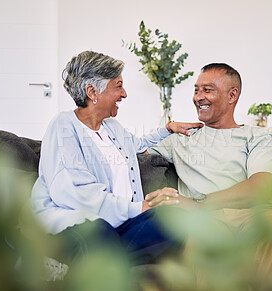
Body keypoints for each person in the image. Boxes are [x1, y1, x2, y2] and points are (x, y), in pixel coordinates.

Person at [29, 51, 202, 266]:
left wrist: (168, 128)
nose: (124, 94)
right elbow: (76, 193)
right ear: (92, 92)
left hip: (122, 223)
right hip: (77, 222)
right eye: (118, 86)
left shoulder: (112, 128)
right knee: (100, 232)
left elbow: (137, 144)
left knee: (175, 220)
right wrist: (139, 207)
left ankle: (109, 264)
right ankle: (105, 263)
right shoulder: (63, 126)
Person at [146, 63, 272, 286]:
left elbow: (260, 187)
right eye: (196, 90)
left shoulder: (256, 136)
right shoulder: (181, 137)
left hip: (259, 214)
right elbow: (126, 153)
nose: (198, 97)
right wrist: (166, 128)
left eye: (207, 90)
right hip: (208, 220)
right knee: (206, 248)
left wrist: (198, 203)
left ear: (232, 94)